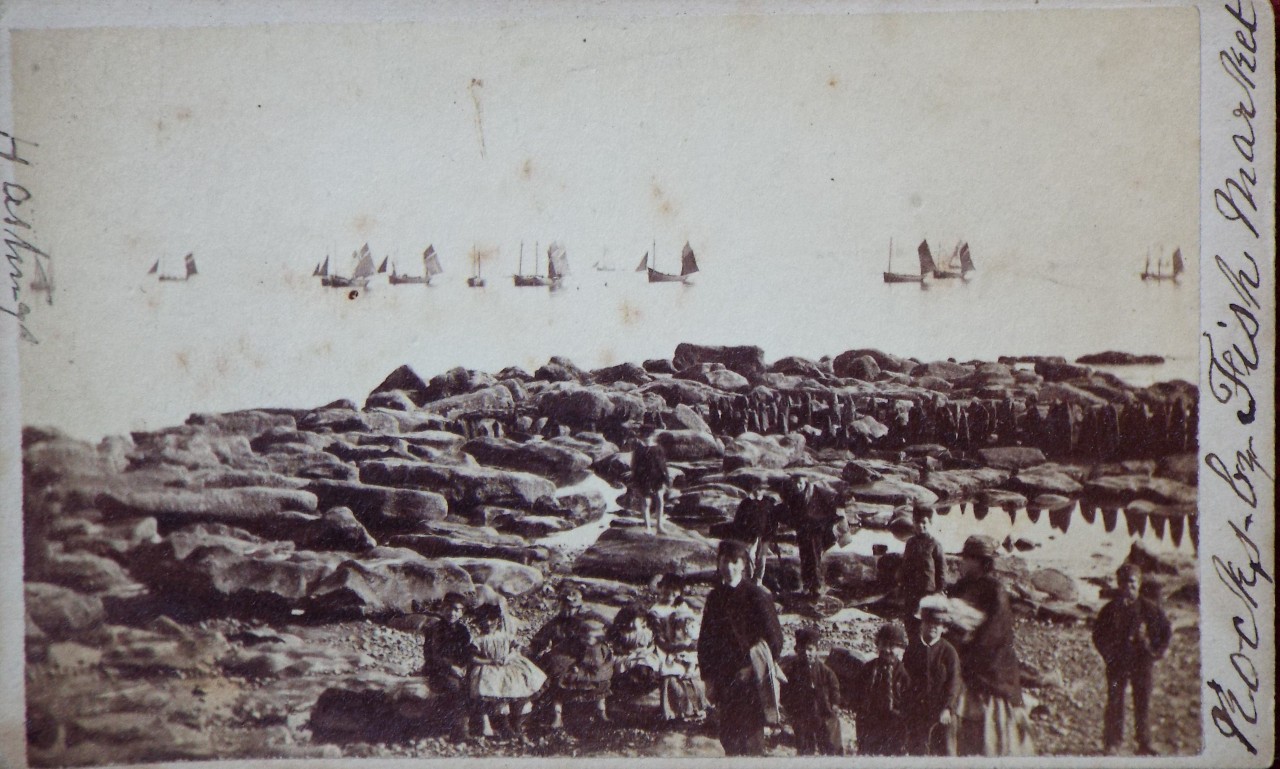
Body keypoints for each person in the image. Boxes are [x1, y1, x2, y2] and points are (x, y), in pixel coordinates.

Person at [949, 535, 1035, 756]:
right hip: (963, 660)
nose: (962, 562)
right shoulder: (960, 587)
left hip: (989, 667)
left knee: (990, 729)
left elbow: (995, 633)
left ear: (981, 562)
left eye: (967, 558)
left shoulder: (995, 591)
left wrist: (968, 643)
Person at [698, 539, 785, 756]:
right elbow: (705, 640)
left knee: (751, 736)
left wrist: (751, 669)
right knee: (728, 736)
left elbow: (775, 640)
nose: (728, 567)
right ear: (718, 563)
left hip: (752, 677)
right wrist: (708, 678)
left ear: (743, 564)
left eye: (734, 561)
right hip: (724, 676)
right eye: (724, 561)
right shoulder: (714, 597)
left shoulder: (756, 595)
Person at [1092, 564, 1172, 756]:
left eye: (1132, 583)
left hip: (1142, 663)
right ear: (1118, 585)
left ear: (1139, 583)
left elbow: (1166, 632)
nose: (1128, 587)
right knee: (1115, 702)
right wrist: (1108, 655)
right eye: (1124, 583)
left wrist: (1155, 652)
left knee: (1142, 703)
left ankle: (1143, 743)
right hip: (1117, 663)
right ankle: (1112, 742)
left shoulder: (1150, 609)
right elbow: (1098, 635)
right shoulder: (1109, 610)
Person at [467, 603, 546, 740]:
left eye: (491, 619)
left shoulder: (504, 636)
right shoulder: (479, 640)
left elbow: (517, 647)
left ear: (497, 620)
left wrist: (511, 656)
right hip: (489, 667)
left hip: (508, 664)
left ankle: (516, 722)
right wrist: (490, 661)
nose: (487, 623)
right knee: (496, 690)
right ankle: (503, 725)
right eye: (483, 620)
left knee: (520, 684)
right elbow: (473, 657)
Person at [903, 600, 962, 756]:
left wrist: (947, 708)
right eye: (929, 622)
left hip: (942, 714)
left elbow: (954, 683)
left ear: (943, 628)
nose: (933, 626)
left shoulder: (949, 652)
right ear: (922, 624)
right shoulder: (912, 649)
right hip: (918, 713)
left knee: (946, 754)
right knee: (918, 753)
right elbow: (904, 681)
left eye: (938, 624)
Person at [650, 574, 709, 721]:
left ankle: (698, 708)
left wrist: (691, 641)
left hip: (684, 645)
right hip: (665, 648)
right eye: (666, 588)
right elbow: (659, 638)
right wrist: (676, 646)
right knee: (668, 671)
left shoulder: (682, 606)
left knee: (695, 670)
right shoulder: (655, 611)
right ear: (659, 588)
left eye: (674, 589)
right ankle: (672, 710)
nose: (670, 592)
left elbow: (691, 626)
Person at [780, 626, 843, 755]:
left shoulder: (825, 671)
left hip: (824, 712)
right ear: (797, 650)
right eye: (802, 649)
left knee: (830, 744)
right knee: (805, 747)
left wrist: (835, 704)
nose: (806, 653)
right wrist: (790, 708)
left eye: (810, 649)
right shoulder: (791, 671)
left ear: (816, 651)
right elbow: (785, 691)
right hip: (802, 714)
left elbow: (834, 688)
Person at [422, 592, 476, 741]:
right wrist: (451, 667)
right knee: (456, 687)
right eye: (448, 609)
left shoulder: (462, 630)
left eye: (457, 610)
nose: (452, 613)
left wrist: (469, 660)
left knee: (477, 683)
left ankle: (477, 725)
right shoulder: (435, 629)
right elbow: (433, 655)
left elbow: (467, 650)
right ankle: (459, 732)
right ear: (442, 609)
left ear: (462, 612)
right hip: (438, 670)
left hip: (458, 669)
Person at [779, 475, 841, 599]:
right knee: (805, 558)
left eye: (800, 483)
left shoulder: (814, 493)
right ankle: (807, 587)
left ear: (805, 481)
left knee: (814, 559)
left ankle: (817, 588)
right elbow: (792, 515)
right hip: (803, 532)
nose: (797, 486)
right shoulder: (794, 496)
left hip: (815, 532)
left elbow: (823, 512)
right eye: (795, 483)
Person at [857, 622, 910, 756]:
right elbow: (857, 693)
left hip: (895, 723)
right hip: (870, 722)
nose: (887, 650)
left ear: (900, 648)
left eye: (892, 646)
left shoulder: (903, 673)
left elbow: (909, 700)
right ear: (878, 645)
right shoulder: (868, 669)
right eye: (884, 645)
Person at [897, 504, 946, 636]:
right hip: (911, 590)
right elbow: (905, 564)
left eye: (924, 522)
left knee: (924, 621)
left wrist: (939, 590)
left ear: (929, 522)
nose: (920, 525)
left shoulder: (935, 544)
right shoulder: (910, 543)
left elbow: (941, 570)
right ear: (913, 522)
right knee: (910, 621)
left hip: (927, 591)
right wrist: (901, 582)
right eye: (916, 522)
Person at [727, 476, 778, 586]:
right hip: (749, 536)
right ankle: (750, 579)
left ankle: (758, 581)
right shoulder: (746, 503)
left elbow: (773, 520)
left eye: (762, 488)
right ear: (753, 488)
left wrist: (772, 533)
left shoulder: (768, 502)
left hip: (764, 535)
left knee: (762, 559)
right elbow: (738, 520)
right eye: (758, 488)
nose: (760, 490)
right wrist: (740, 533)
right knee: (750, 556)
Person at [630, 431, 670, 534]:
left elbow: (663, 465)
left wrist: (666, 479)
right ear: (641, 437)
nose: (646, 438)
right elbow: (634, 465)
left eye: (648, 435)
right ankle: (648, 527)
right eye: (644, 436)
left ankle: (659, 526)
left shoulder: (658, 448)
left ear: (652, 436)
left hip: (657, 477)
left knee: (659, 499)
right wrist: (635, 480)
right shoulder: (639, 449)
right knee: (646, 502)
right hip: (644, 478)